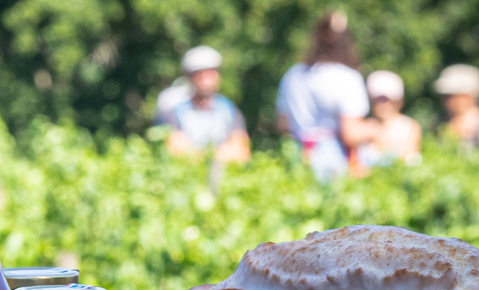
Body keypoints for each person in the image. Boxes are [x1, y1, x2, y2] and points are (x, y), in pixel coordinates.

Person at [275, 11, 376, 182]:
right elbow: (350, 133)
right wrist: (374, 129)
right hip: (334, 162)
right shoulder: (348, 77)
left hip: (298, 157)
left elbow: (283, 125)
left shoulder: (293, 74)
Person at [158, 45, 251, 163]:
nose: (206, 80)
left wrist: (198, 154)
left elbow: (242, 150)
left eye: (211, 74)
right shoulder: (175, 111)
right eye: (200, 75)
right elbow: (175, 150)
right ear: (189, 77)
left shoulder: (228, 108)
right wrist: (222, 153)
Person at [359, 70, 423, 168]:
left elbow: (409, 160)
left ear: (398, 100)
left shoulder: (409, 126)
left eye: (386, 99)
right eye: (377, 99)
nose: (382, 104)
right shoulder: (364, 126)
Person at [432, 64, 479, 154]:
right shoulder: (440, 123)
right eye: (444, 95)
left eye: (451, 95)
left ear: (469, 96)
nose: (445, 99)